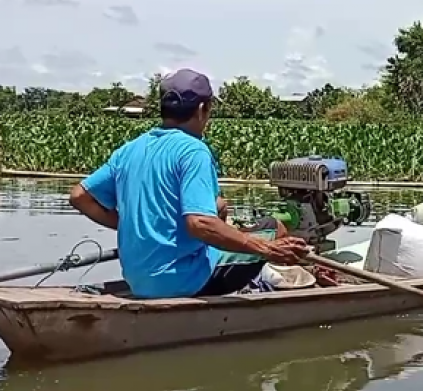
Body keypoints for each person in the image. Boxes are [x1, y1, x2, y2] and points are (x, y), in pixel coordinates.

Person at [68, 68, 311, 298]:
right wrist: (267, 249)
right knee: (273, 227)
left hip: (138, 280)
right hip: (184, 280)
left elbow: (80, 196)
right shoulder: (193, 151)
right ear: (202, 109)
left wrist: (133, 226)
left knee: (220, 209)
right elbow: (200, 223)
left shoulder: (130, 150)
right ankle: (288, 287)